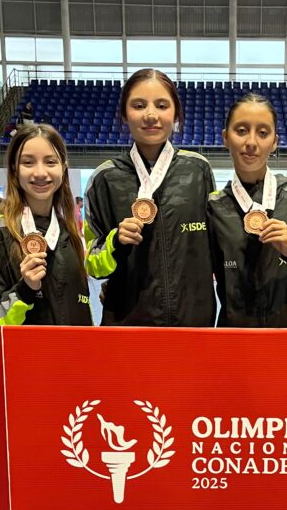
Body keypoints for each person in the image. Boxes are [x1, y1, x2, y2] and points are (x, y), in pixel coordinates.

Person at [85, 68, 215, 326]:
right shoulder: (104, 178)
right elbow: (93, 264)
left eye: (162, 105)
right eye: (139, 105)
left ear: (175, 114)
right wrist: (116, 242)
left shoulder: (198, 169)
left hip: (193, 322)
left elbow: (213, 245)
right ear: (124, 114)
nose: (151, 115)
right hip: (128, 323)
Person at [205, 92, 287, 328]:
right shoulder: (213, 207)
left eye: (263, 133)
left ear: (275, 141)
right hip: (236, 339)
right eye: (241, 130)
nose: (251, 142)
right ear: (225, 138)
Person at [0, 124, 92, 326]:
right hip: (26, 347)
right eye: (28, 162)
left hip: (74, 346)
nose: (40, 173)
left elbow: (81, 305)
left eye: (50, 162)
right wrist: (24, 290)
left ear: (63, 168)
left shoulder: (69, 232)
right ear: (14, 169)